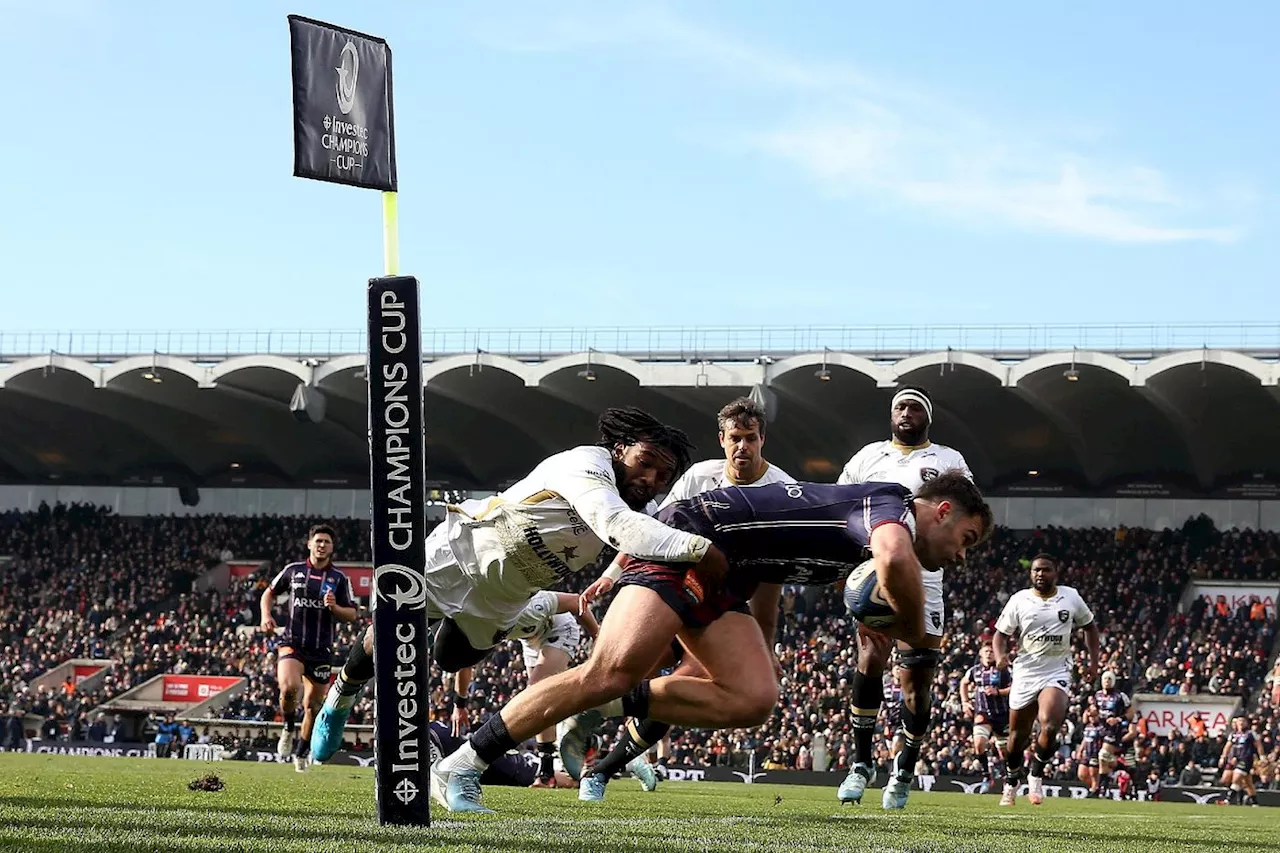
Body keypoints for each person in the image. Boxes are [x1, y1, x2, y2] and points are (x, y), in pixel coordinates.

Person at [431, 471, 992, 814]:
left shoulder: (874, 535)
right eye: (966, 539)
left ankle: (601, 710)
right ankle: (462, 762)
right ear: (942, 511)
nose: (963, 555)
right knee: (611, 667)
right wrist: (919, 634)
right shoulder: (888, 504)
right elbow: (894, 559)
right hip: (689, 543)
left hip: (724, 578)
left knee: (752, 697)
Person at [309, 408, 726, 764]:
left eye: (663, 474)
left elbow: (648, 535)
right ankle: (340, 697)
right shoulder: (585, 464)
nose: (650, 478)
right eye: (645, 462)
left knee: (452, 658)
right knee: (388, 633)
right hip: (460, 554)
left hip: (505, 597)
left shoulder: (644, 507)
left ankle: (453, 622)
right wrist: (701, 550)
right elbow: (616, 525)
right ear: (620, 450)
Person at [577, 395, 795, 799]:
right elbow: (658, 527)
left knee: (690, 681)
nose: (742, 447)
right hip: (675, 586)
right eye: (735, 438)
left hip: (726, 602)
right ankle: (593, 729)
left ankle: (601, 767)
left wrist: (766, 644)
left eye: (750, 438)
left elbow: (772, 578)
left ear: (763, 439)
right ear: (722, 439)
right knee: (627, 668)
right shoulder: (699, 476)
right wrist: (612, 573)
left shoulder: (781, 490)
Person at [835, 385, 974, 809]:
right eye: (900, 407)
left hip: (926, 577)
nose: (906, 413)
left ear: (927, 416)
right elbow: (839, 504)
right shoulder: (867, 457)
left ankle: (905, 769)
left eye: (914, 407)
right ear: (891, 414)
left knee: (915, 685)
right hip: (874, 573)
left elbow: (968, 511)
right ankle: (861, 765)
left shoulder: (949, 461)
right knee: (869, 660)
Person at [993, 553, 1100, 807]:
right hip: (1026, 671)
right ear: (1031, 574)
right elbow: (1000, 635)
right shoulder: (1020, 599)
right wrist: (1000, 656)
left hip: (1057, 669)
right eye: (1036, 570)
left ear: (1056, 573)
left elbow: (1090, 627)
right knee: (1017, 737)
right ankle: (1011, 781)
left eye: (1046, 570)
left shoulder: (1070, 596)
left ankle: (1036, 776)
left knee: (1049, 725)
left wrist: (1094, 662)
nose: (1040, 574)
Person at [260, 523, 358, 771]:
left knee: (313, 707)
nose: (322, 545)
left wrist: (335, 607)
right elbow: (268, 594)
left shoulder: (339, 579)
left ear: (332, 548)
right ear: (310, 544)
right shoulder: (293, 571)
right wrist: (265, 616)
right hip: (292, 642)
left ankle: (302, 752)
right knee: (289, 687)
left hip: (321, 650)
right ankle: (288, 726)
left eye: (327, 542)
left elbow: (352, 615)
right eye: (318, 541)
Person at [510, 591, 601, 787]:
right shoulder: (481, 618)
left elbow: (576, 601)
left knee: (536, 694)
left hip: (559, 628)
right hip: (530, 640)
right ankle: (577, 746)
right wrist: (460, 702)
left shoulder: (534, 605)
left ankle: (546, 773)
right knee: (545, 705)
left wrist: (596, 634)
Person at [959, 642, 1011, 792]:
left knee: (1004, 752)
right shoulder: (974, 671)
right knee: (979, 744)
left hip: (1002, 715)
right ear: (981, 653)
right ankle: (987, 775)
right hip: (982, 713)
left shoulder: (1004, 670)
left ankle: (1007, 775)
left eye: (991, 651)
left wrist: (999, 692)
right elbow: (964, 683)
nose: (989, 653)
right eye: (986, 651)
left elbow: (1015, 686)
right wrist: (965, 702)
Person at [1218, 715, 1260, 806]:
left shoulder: (1250, 733)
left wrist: (1262, 756)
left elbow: (1258, 745)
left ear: (1246, 723)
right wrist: (1223, 757)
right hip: (1234, 760)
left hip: (1246, 759)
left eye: (1243, 721)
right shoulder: (1233, 734)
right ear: (1236, 723)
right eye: (1239, 721)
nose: (1241, 723)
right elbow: (1227, 747)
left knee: (1236, 778)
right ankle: (1255, 803)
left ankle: (1227, 800)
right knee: (1248, 783)